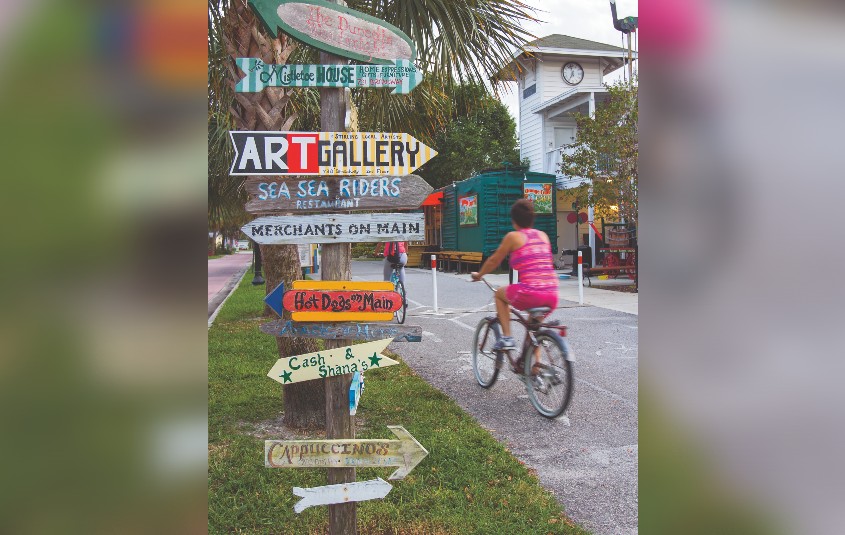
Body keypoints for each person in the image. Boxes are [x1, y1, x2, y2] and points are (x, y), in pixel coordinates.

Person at [471, 199, 558, 351]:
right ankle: (535, 369)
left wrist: (479, 274)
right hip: (551, 294)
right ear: (532, 219)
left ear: (513, 220)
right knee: (534, 331)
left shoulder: (513, 237)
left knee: (499, 294)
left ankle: (507, 338)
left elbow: (494, 261)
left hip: (530, 293)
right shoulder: (543, 236)